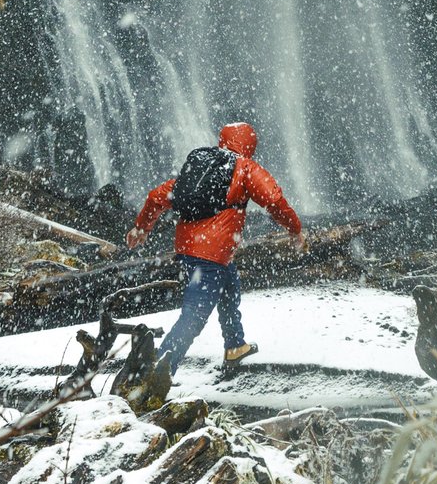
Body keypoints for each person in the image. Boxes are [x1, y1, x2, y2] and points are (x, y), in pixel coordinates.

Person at [128, 121, 305, 373]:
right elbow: (274, 200)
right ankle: (155, 374)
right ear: (249, 144)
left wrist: (142, 227)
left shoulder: (203, 166)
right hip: (211, 254)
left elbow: (157, 196)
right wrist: (295, 229)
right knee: (194, 315)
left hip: (192, 248)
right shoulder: (244, 168)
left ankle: (234, 345)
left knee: (230, 287)